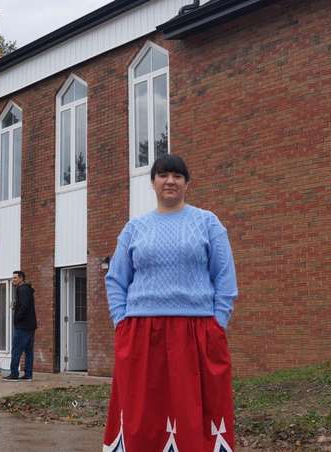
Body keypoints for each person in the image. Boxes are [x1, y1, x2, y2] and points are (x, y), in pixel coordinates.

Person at [102, 155, 238, 450]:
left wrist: (218, 323)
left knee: (196, 411)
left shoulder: (207, 223)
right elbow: (116, 279)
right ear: (153, 182)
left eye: (177, 175)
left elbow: (225, 277)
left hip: (196, 330)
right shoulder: (135, 228)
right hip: (141, 332)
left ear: (187, 183)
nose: (170, 181)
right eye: (163, 175)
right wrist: (121, 322)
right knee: (143, 411)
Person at [3, 270, 36, 381]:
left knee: (16, 350)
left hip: (23, 326)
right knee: (28, 351)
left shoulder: (22, 289)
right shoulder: (27, 289)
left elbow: (24, 306)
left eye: (15, 278)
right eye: (13, 278)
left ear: (21, 278)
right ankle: (28, 375)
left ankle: (14, 374)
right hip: (30, 325)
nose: (13, 280)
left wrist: (17, 318)